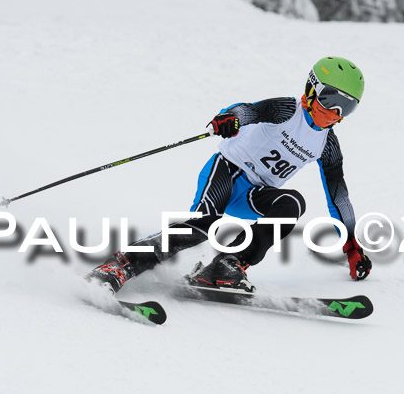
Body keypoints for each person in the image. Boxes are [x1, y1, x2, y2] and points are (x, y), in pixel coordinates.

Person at [87, 56, 372, 293]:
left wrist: (351, 246)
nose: (336, 112)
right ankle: (120, 265)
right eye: (331, 99)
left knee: (293, 203)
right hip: (227, 171)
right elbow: (249, 110)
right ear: (311, 90)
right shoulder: (288, 110)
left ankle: (227, 264)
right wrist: (230, 118)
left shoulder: (328, 144)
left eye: (347, 106)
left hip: (254, 195)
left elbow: (338, 195)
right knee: (203, 226)